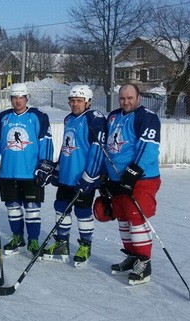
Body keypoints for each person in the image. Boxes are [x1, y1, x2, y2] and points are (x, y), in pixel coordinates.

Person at [101, 83, 161, 285]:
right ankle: (133, 256)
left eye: (130, 98)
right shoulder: (114, 116)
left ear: (138, 98)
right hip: (118, 178)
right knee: (123, 218)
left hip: (141, 178)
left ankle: (144, 262)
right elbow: (108, 147)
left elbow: (149, 148)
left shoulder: (147, 117)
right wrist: (104, 175)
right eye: (122, 98)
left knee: (135, 218)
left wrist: (134, 171)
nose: (126, 102)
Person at [40, 85, 106, 266]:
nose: (74, 104)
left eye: (79, 101)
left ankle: (85, 245)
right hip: (67, 176)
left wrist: (90, 176)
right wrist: (58, 170)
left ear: (88, 102)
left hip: (83, 177)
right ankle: (62, 243)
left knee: (83, 211)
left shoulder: (94, 118)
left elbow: (98, 148)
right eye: (72, 101)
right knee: (61, 207)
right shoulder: (69, 119)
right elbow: (65, 147)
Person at [0, 83, 53, 257]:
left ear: (27, 98)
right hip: (8, 172)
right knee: (13, 208)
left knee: (32, 209)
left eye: (21, 97)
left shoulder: (38, 116)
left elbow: (46, 142)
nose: (18, 101)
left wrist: (44, 166)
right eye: (14, 97)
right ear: (10, 99)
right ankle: (17, 238)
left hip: (31, 174)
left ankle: (33, 240)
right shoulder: (2, 117)